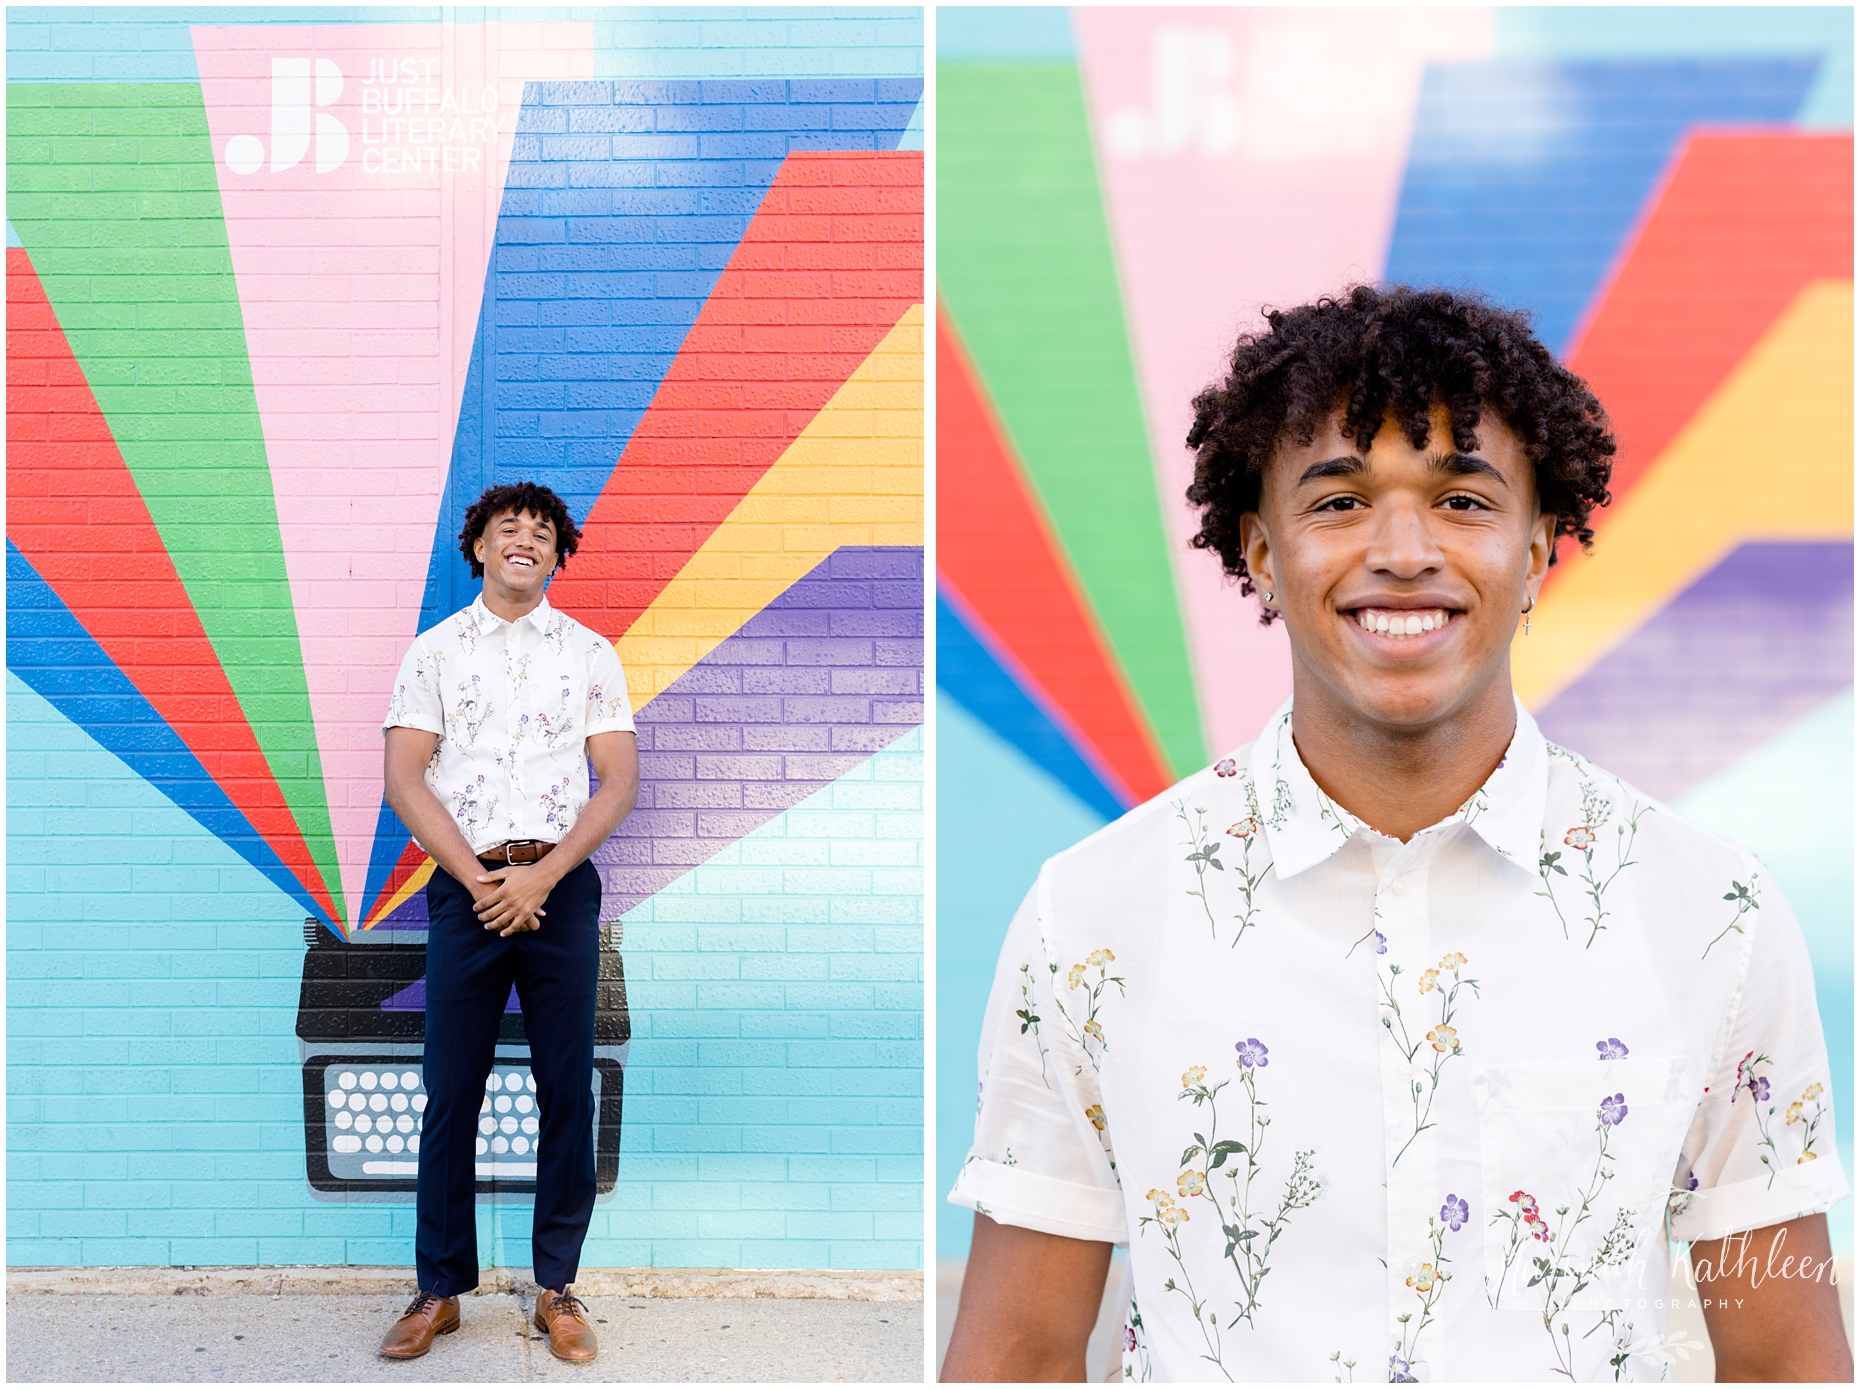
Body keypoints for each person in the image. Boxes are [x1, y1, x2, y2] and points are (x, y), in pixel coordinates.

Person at [942, 286, 1851, 1383]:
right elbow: (1019, 1356)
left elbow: (1784, 1359)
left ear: (1541, 550)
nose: (1405, 550)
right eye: (1338, 503)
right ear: (1263, 553)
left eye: (1465, 499)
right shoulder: (1092, 917)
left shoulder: (1713, 915)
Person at [376, 481, 640, 1363]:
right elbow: (406, 779)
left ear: (557, 554)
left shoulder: (593, 654)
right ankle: (440, 1289)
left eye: (541, 532)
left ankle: (556, 1289)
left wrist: (543, 878)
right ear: (479, 548)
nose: (524, 540)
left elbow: (619, 781)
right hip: (466, 886)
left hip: (559, 887)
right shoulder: (435, 652)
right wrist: (486, 881)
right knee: (452, 1086)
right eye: (507, 529)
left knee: (568, 1086)